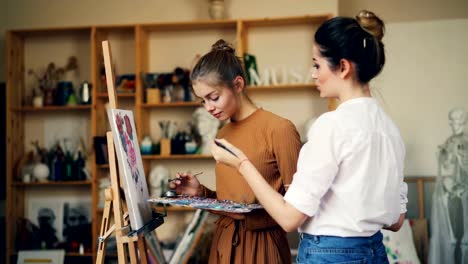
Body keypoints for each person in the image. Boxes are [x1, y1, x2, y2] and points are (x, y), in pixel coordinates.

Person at [211, 10, 408, 263]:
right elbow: (396, 221)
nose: (313, 73)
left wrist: (241, 163)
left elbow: (289, 218)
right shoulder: (390, 129)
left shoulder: (331, 125)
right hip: (375, 252)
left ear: (344, 67)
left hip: (329, 255)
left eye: (317, 64)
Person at [170, 39, 302, 263]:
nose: (208, 107)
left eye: (213, 97)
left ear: (238, 85)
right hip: (222, 245)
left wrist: (250, 216)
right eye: (202, 101)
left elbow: (297, 208)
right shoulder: (222, 135)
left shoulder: (279, 129)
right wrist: (201, 193)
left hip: (262, 247)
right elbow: (230, 204)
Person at [430, 108, 468, 264]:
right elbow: (444, 170)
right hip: (451, 193)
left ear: (464, 122)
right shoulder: (448, 143)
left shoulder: (463, 143)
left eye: (459, 120)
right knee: (455, 239)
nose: (455, 124)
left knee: (463, 239)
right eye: (453, 120)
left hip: (463, 192)